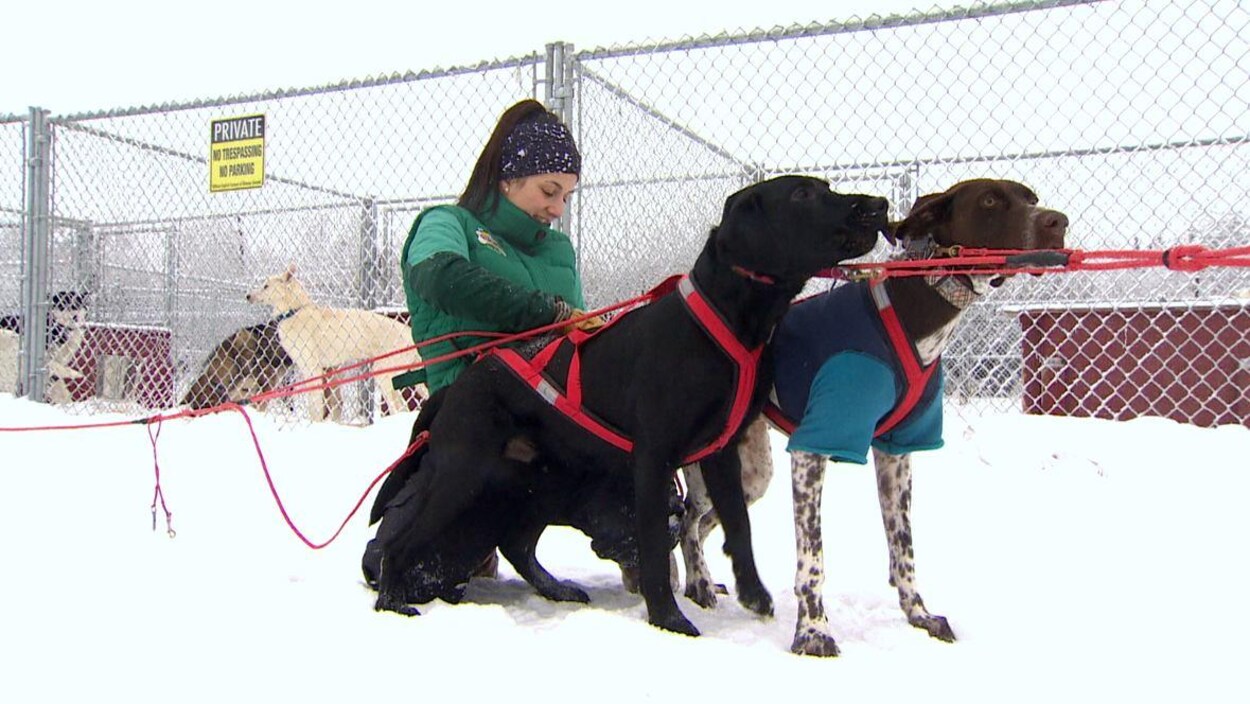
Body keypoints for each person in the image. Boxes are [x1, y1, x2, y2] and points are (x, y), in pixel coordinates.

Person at [394, 99, 599, 396]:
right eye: (549, 191)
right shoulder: (448, 223)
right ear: (508, 178)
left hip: (563, 418)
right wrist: (548, 312)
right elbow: (440, 278)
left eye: (566, 197)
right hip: (476, 414)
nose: (557, 208)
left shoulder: (559, 251)